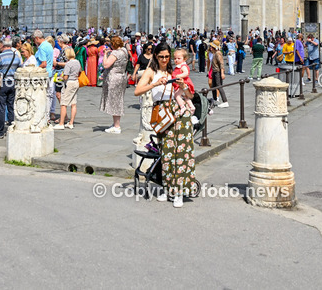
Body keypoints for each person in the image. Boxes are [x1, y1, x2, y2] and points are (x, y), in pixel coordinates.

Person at [134, 43, 195, 208]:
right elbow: (137, 90)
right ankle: (168, 188)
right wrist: (155, 84)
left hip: (179, 113)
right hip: (162, 114)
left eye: (167, 56)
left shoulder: (176, 70)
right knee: (167, 153)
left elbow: (189, 94)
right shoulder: (151, 71)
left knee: (181, 152)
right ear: (155, 56)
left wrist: (183, 86)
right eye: (161, 57)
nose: (164, 60)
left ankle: (180, 191)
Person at [98, 35, 129, 133]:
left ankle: (117, 126)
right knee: (118, 100)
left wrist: (105, 55)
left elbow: (106, 64)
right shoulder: (124, 51)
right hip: (122, 77)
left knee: (115, 101)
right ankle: (115, 123)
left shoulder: (115, 53)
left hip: (114, 78)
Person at [0, 36, 22, 138]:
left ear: (3, 45)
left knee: (1, 108)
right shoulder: (16, 57)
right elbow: (20, 69)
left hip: (3, 83)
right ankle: (12, 127)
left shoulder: (0, 57)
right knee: (11, 107)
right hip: (13, 83)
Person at [56, 47, 81, 129]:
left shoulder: (68, 64)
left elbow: (65, 77)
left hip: (69, 83)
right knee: (73, 103)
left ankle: (61, 123)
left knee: (63, 103)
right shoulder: (77, 62)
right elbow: (79, 72)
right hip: (76, 82)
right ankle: (71, 122)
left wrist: (60, 78)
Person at [209, 39, 228, 108]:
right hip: (214, 72)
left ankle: (225, 101)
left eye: (211, 47)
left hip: (218, 72)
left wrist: (222, 73)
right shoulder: (215, 53)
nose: (210, 48)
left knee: (219, 86)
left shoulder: (218, 53)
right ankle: (214, 100)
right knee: (213, 86)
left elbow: (221, 64)